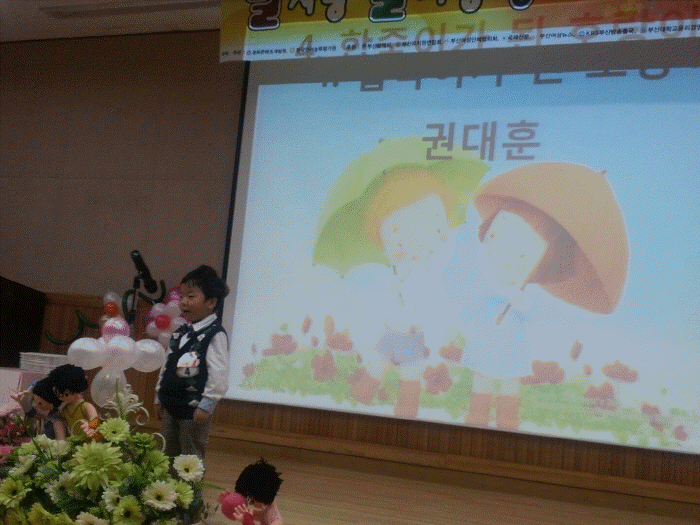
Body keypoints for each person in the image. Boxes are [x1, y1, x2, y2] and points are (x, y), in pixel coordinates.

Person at [154, 264, 230, 461]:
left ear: (211, 302)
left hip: (194, 410)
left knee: (190, 459)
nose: (183, 302)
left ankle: (190, 484)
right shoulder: (179, 333)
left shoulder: (215, 334)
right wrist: (159, 396)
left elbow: (219, 373)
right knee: (164, 454)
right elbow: (167, 365)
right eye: (181, 296)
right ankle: (166, 483)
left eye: (190, 296)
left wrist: (206, 404)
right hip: (171, 405)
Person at [219, 458, 283, 525]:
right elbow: (256, 515)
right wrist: (228, 503)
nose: (250, 503)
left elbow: (254, 516)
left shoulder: (276, 521)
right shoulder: (268, 509)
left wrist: (247, 520)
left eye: (252, 500)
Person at [48, 364, 98, 437]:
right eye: (58, 395)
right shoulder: (65, 410)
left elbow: (95, 419)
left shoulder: (85, 406)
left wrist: (90, 426)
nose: (61, 398)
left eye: (65, 394)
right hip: (74, 439)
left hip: (89, 438)